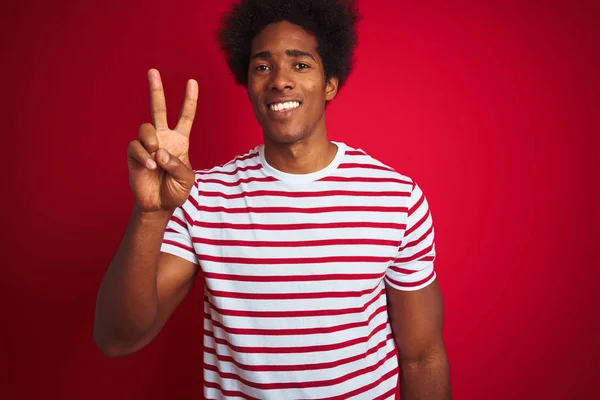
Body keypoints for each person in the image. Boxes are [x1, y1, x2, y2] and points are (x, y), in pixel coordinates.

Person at [93, 0, 451, 398]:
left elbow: (422, 355)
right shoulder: (201, 197)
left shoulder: (396, 198)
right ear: (249, 85)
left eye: (300, 64)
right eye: (263, 66)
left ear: (330, 81)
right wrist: (150, 214)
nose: (280, 80)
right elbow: (117, 338)